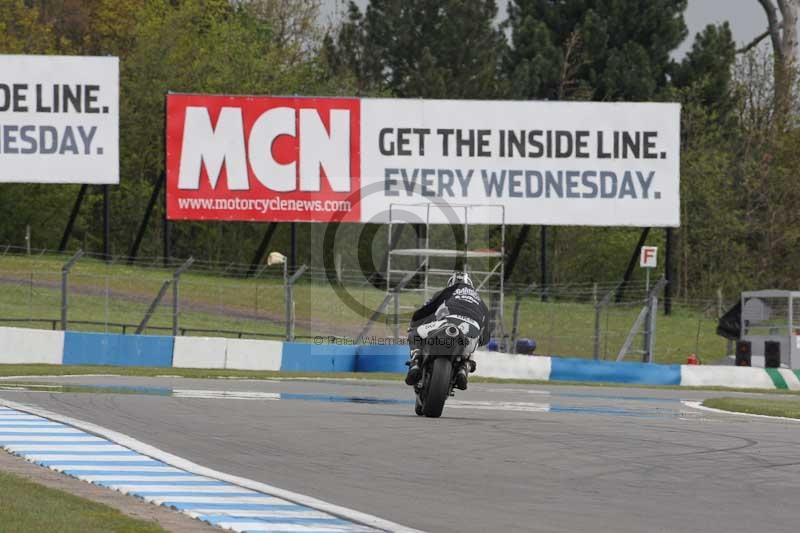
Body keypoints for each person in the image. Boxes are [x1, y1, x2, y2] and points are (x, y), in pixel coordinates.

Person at [404, 271, 491, 390]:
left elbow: (425, 311)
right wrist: (480, 340)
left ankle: (416, 362)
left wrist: (414, 325)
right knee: (472, 348)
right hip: (472, 330)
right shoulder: (482, 302)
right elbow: (486, 336)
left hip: (448, 322)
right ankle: (464, 368)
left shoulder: (445, 292)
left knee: (415, 334)